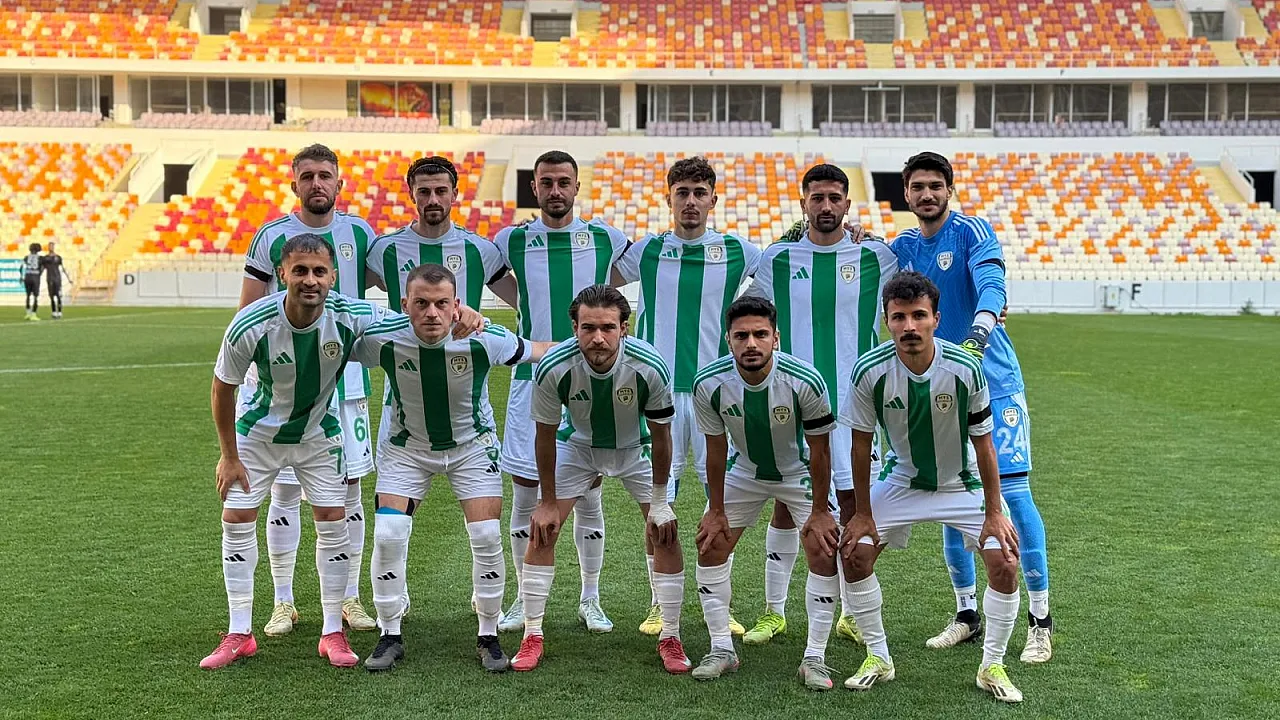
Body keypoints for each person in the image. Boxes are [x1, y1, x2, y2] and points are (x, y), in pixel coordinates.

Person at [350, 263, 554, 673]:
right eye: (421, 303)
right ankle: (390, 634)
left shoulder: (483, 338)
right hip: (406, 449)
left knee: (486, 535)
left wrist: (597, 342)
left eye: (441, 303)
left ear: (456, 305)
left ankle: (488, 635)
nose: (431, 313)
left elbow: (538, 350)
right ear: (404, 304)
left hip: (471, 449)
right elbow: (332, 342)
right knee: (389, 534)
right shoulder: (382, 338)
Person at [889, 152, 1052, 663]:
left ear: (949, 190)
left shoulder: (972, 231)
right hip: (940, 388)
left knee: (1014, 496)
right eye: (918, 186)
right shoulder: (903, 246)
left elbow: (992, 285)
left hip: (994, 381)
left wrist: (979, 334)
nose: (926, 194)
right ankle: (966, 614)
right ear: (907, 194)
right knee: (951, 495)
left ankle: (1040, 621)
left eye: (935, 185)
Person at [202, 233, 386, 670]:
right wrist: (229, 456)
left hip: (319, 434)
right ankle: (239, 633)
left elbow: (411, 320)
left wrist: (462, 315)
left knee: (333, 520)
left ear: (333, 277)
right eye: (300, 270)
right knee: (236, 519)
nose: (310, 280)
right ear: (282, 274)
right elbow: (222, 388)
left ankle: (332, 632)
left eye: (319, 271)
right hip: (258, 435)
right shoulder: (251, 323)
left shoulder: (351, 314)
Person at [838, 271, 1023, 702]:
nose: (909, 326)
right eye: (899, 317)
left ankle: (992, 665)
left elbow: (985, 444)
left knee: (1005, 561)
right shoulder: (869, 371)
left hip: (962, 482)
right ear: (887, 321)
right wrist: (862, 513)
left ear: (936, 319)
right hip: (901, 480)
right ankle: (878, 657)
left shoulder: (965, 368)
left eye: (918, 315)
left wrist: (994, 512)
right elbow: (860, 445)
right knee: (854, 553)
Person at [741, 164, 898, 646]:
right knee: (787, 504)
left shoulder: (877, 257)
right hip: (791, 404)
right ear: (803, 203)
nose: (826, 206)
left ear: (848, 204)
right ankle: (773, 612)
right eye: (817, 198)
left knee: (853, 506)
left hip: (854, 405)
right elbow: (750, 318)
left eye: (834, 198)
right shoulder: (778, 258)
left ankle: (851, 611)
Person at [236, 143, 381, 636]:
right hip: (285, 385)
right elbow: (247, 311)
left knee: (350, 490)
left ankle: (349, 597)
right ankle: (283, 600)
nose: (317, 184)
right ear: (294, 183)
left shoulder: (360, 233)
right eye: (308, 176)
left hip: (347, 381)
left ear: (339, 183)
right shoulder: (270, 236)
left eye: (325, 175)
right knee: (283, 489)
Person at [613, 155, 757, 636]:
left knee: (725, 501)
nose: (690, 202)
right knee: (659, 500)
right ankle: (660, 602)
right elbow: (594, 270)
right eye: (682, 193)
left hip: (717, 395)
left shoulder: (737, 250)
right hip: (659, 398)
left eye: (699, 193)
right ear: (669, 198)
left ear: (713, 200)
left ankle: (720, 602)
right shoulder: (648, 251)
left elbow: (789, 262)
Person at [513, 285, 688, 675]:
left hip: (636, 448)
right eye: (588, 327)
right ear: (574, 327)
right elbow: (544, 435)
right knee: (543, 529)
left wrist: (660, 501)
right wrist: (547, 502)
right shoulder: (554, 366)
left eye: (608, 327)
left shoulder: (649, 366)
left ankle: (671, 635)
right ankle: (532, 634)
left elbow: (662, 436)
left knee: (664, 531)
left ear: (624, 328)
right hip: (578, 447)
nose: (598, 338)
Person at [492, 151, 630, 635]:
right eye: (546, 182)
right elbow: (494, 279)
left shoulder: (605, 238)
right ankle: (521, 597)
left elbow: (622, 283)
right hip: (530, 379)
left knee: (589, 492)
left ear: (576, 186)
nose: (555, 190)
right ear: (534, 188)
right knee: (525, 492)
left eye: (563, 182)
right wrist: (528, 311)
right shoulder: (511, 240)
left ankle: (591, 598)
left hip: (590, 382)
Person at [689, 296, 844, 691]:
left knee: (823, 548)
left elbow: (821, 450)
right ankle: (721, 649)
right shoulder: (708, 383)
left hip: (798, 471)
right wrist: (716, 509)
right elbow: (715, 449)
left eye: (760, 334)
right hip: (744, 471)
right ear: (728, 340)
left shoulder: (805, 380)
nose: (751, 343)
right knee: (711, 544)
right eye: (741, 336)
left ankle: (815, 657)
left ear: (776, 338)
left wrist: (821, 511)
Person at [41, 242, 71, 319]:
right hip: (49, 279)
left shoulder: (58, 257)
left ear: (54, 247)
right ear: (48, 248)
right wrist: (38, 276)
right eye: (49, 246)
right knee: (51, 296)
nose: (51, 248)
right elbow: (42, 268)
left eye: (52, 246)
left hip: (57, 279)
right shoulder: (45, 258)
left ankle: (60, 312)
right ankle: (54, 312)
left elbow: (63, 268)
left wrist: (68, 279)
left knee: (59, 296)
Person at [22, 243, 41, 321]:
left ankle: (27, 313)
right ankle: (33, 314)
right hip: (35, 276)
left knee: (28, 295)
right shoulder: (40, 258)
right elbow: (42, 268)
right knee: (35, 296)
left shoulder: (26, 257)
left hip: (27, 276)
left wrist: (21, 277)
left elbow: (21, 267)